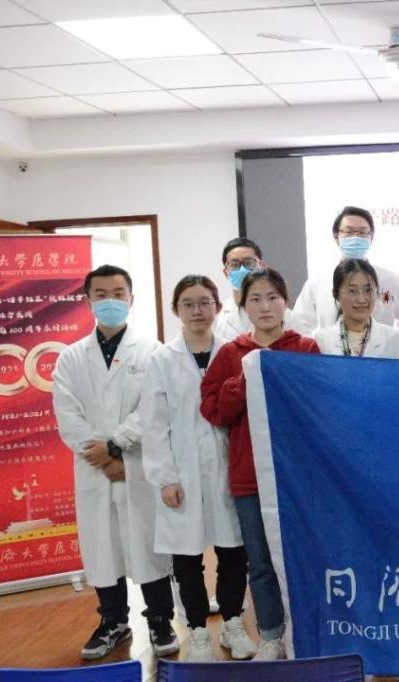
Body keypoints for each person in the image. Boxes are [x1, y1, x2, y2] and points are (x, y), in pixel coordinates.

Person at [52, 265, 178, 660]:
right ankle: (113, 622)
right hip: (95, 467)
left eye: (118, 293)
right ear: (88, 301)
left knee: (148, 545)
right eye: (101, 294)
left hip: (138, 464)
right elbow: (68, 416)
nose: (110, 301)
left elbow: (156, 408)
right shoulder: (71, 358)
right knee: (102, 547)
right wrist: (105, 456)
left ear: (131, 298)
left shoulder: (152, 351)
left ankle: (160, 619)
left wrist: (117, 445)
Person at [200, 268, 320, 660]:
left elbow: (318, 407)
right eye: (255, 298)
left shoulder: (304, 348)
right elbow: (215, 410)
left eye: (273, 297)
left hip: (297, 477)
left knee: (304, 556)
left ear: (286, 302)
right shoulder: (230, 353)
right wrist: (247, 376)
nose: (265, 306)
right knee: (261, 563)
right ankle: (271, 635)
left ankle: (309, 630)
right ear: (243, 305)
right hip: (249, 475)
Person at [140, 275, 257, 662]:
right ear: (176, 310)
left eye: (205, 302)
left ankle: (232, 623)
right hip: (183, 470)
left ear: (218, 307)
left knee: (233, 551)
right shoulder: (162, 360)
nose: (197, 311)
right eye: (188, 304)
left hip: (227, 466)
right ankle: (197, 631)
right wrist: (165, 478)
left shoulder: (234, 352)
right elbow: (153, 424)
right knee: (186, 558)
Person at [292, 206, 399, 333]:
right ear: (336, 236)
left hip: (381, 345)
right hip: (331, 345)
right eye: (349, 232)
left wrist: (397, 343)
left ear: (371, 237)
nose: (356, 237)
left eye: (363, 232)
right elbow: (299, 325)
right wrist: (319, 344)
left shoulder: (390, 279)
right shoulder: (318, 282)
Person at [214, 237, 293, 340]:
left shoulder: (286, 316)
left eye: (249, 263)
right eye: (234, 265)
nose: (242, 270)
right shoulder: (216, 318)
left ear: (262, 266)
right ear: (226, 273)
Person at [314, 259, 397, 357]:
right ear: (336, 294)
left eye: (368, 290)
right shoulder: (322, 340)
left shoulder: (392, 338)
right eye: (352, 291)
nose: (361, 300)